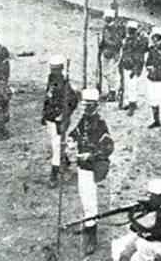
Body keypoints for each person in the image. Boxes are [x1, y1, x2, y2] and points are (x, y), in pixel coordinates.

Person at [67, 87, 114, 255]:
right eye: (85, 106)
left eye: (90, 106)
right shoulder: (84, 120)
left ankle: (92, 236)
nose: (87, 109)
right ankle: (88, 225)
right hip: (82, 165)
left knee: (90, 201)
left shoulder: (100, 124)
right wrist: (71, 139)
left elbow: (108, 147)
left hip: (93, 166)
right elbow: (76, 132)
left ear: (96, 106)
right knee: (84, 197)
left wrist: (91, 155)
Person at [111, 179, 161, 261]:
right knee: (128, 244)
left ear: (159, 196)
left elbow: (152, 234)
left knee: (141, 244)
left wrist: (134, 221)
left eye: (151, 195)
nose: (149, 198)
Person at [41, 54, 79, 187]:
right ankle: (65, 158)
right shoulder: (51, 79)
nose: (54, 72)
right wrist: (43, 114)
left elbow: (74, 101)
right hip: (50, 117)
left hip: (59, 120)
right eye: (52, 69)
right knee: (54, 142)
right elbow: (47, 98)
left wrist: (65, 115)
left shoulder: (65, 84)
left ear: (61, 69)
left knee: (56, 146)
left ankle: (54, 174)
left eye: (56, 69)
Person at [119, 20, 148, 115]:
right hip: (127, 65)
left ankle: (132, 105)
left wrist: (135, 69)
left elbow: (139, 58)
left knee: (132, 86)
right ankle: (132, 102)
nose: (129, 32)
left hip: (133, 67)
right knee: (128, 85)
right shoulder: (127, 40)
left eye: (131, 30)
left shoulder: (137, 42)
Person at [100, 9, 124, 102]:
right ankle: (110, 91)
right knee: (106, 73)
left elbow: (117, 43)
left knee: (112, 74)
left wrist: (107, 43)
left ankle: (113, 93)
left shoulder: (116, 29)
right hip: (106, 53)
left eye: (106, 19)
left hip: (113, 54)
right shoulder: (106, 28)